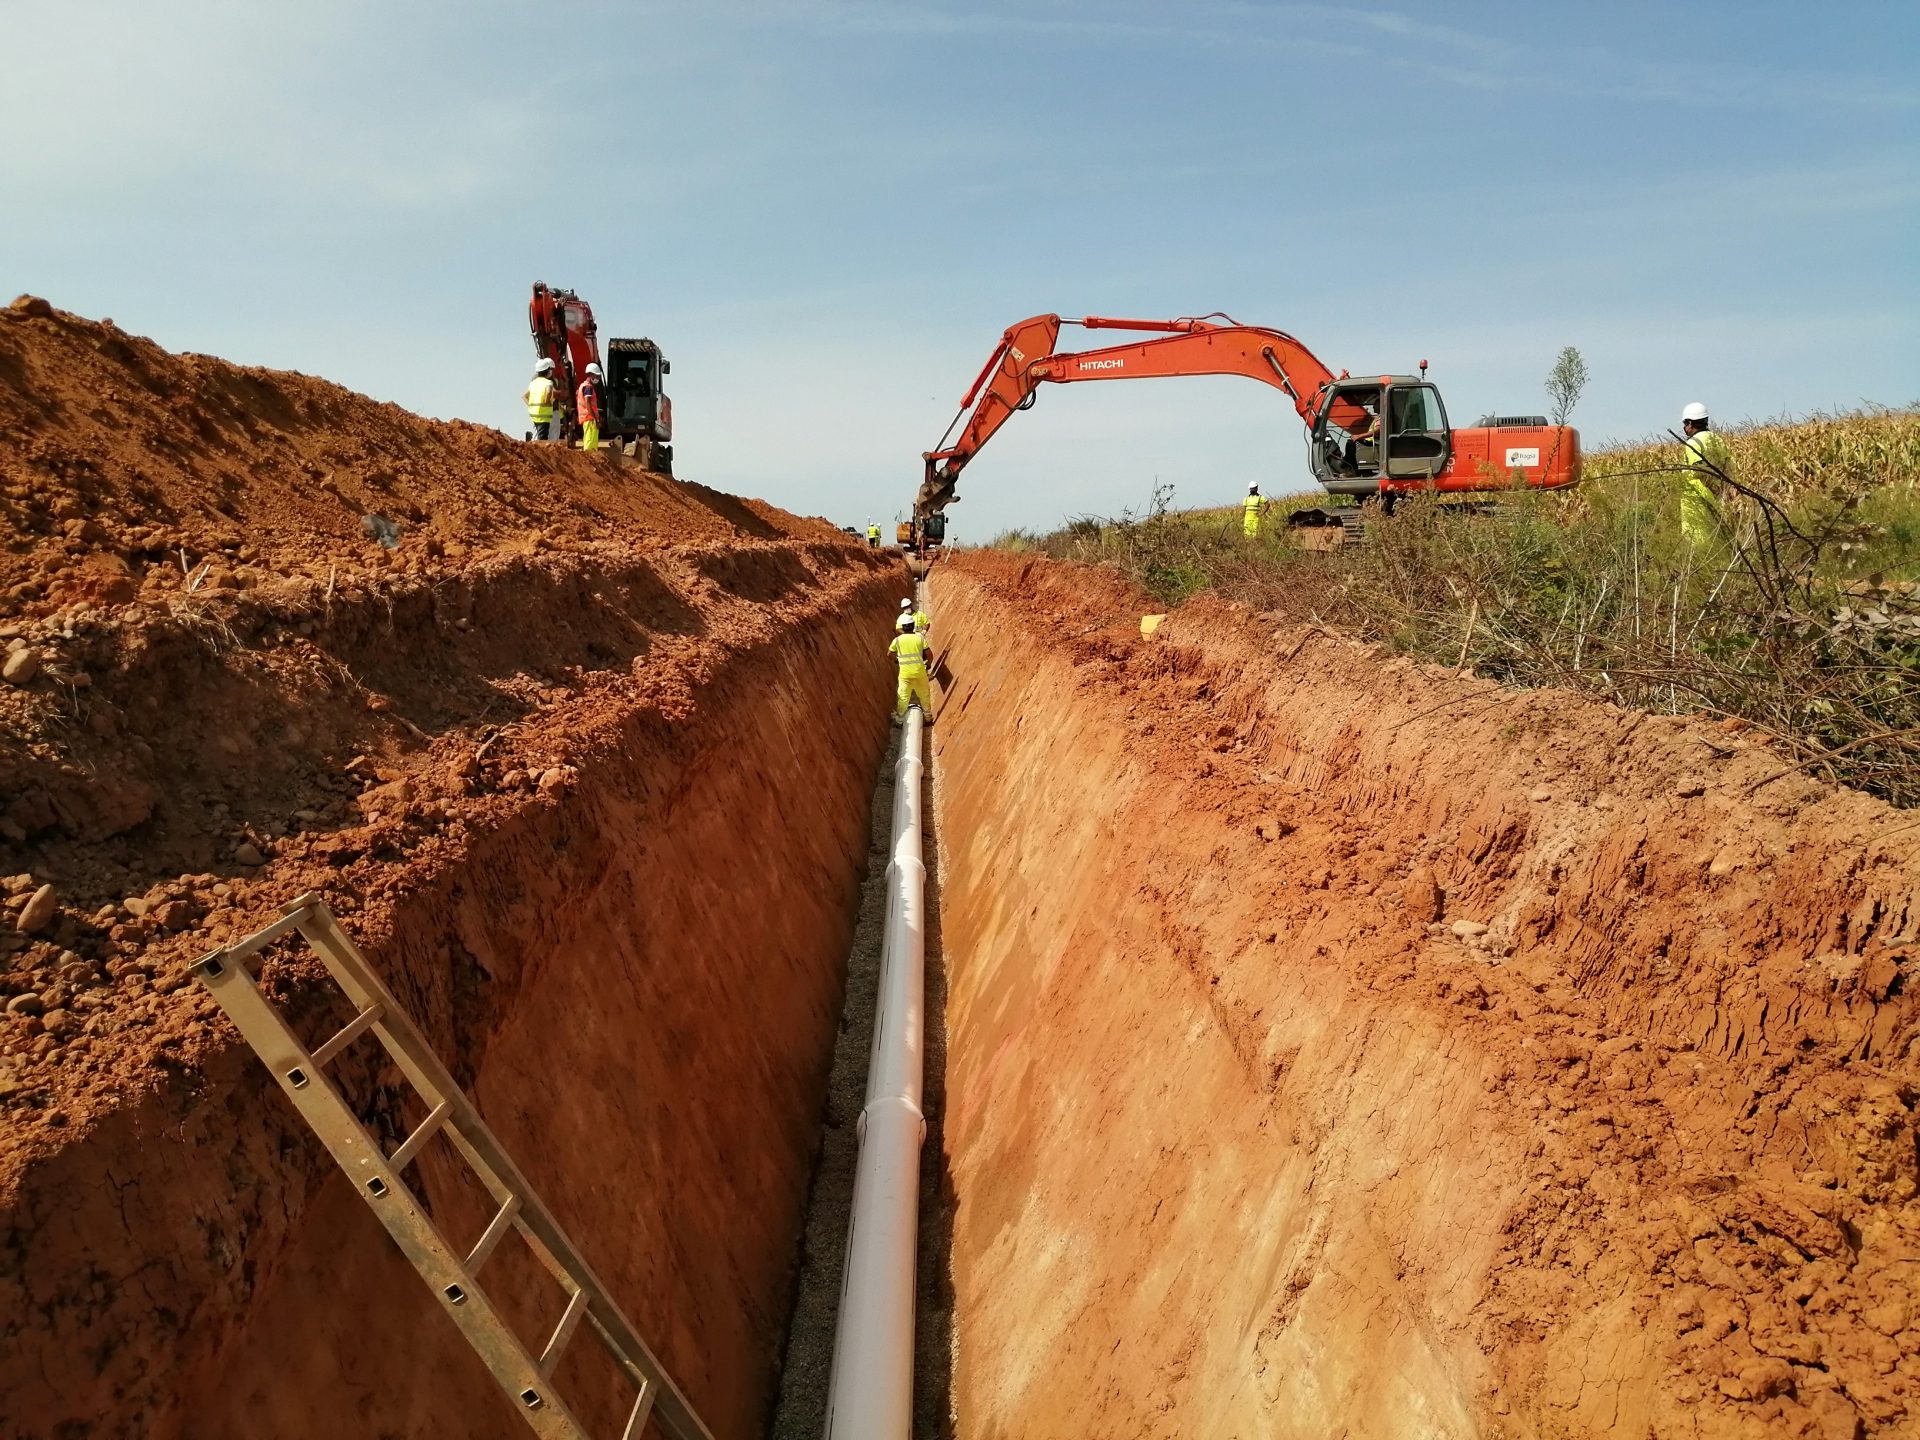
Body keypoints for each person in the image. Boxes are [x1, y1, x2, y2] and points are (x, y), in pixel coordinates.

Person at [1678, 401, 1733, 548]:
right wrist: (1722, 492)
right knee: (1716, 538)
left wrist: (1712, 490)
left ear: (1690, 423)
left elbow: (1700, 472)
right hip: (1720, 496)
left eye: (1685, 424)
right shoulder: (1717, 440)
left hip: (1697, 497)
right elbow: (1727, 467)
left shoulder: (1693, 443)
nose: (1684, 428)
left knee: (1697, 541)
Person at [888, 611, 933, 725]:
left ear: (903, 627)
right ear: (913, 627)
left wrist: (897, 660)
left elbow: (889, 654)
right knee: (924, 694)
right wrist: (928, 664)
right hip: (920, 673)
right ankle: (927, 717)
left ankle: (900, 720)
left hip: (905, 674)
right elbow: (929, 654)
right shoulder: (920, 639)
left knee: (903, 696)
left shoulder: (897, 640)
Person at [524, 359, 559, 441]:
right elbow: (547, 400)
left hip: (534, 414)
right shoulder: (548, 383)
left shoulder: (533, 383)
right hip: (544, 415)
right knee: (542, 439)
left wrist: (531, 405)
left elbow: (525, 396)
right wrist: (552, 400)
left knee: (539, 436)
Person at [577, 363, 604, 452]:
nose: (598, 378)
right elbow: (588, 403)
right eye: (597, 376)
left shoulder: (584, 386)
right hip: (589, 418)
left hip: (588, 418)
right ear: (591, 374)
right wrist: (595, 419)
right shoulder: (588, 387)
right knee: (590, 445)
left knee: (591, 442)